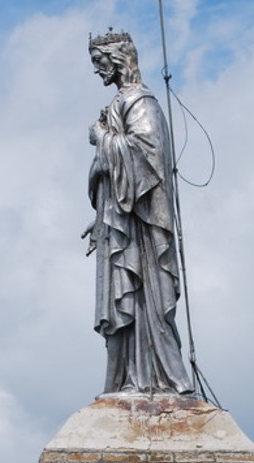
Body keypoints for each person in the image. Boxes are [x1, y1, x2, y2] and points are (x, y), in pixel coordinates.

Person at [83, 31, 193, 395]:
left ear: (116, 58)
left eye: (99, 61)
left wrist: (102, 139)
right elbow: (121, 167)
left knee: (145, 299)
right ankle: (126, 380)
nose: (96, 71)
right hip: (120, 221)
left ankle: (163, 380)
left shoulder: (139, 101)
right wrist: (101, 216)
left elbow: (148, 154)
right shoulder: (119, 102)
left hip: (142, 229)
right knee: (120, 308)